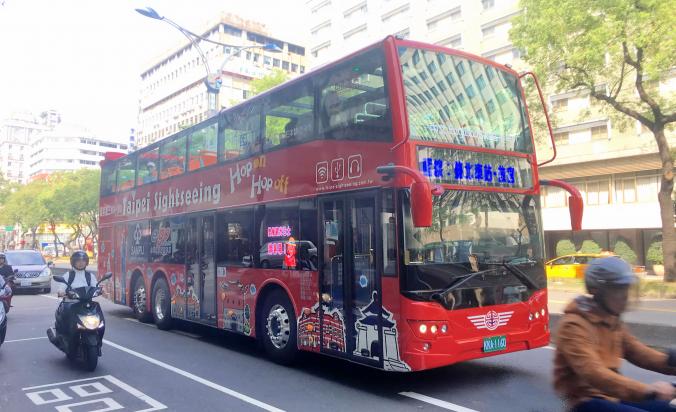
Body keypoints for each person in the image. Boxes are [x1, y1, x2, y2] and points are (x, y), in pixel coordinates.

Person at [554, 256, 676, 412]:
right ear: (597, 291)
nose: (625, 296)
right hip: (585, 401)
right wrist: (647, 390)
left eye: (626, 289)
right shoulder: (573, 325)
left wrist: (671, 362)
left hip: (611, 395)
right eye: (618, 289)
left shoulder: (611, 319)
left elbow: (638, 352)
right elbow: (593, 373)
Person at [55, 251, 97, 334]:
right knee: (66, 317)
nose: (81, 263)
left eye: (83, 261)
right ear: (73, 262)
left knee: (97, 313)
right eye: (78, 261)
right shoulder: (69, 275)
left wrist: (100, 290)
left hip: (86, 304)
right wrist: (61, 292)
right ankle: (64, 335)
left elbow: (95, 287)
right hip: (71, 303)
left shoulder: (90, 276)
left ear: (86, 262)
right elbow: (61, 287)